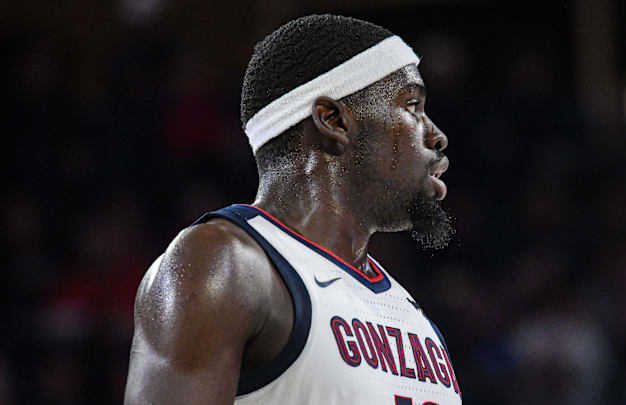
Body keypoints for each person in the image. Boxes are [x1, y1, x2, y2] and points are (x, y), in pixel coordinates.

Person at [124, 14, 461, 404]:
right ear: (333, 121)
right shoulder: (227, 264)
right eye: (412, 106)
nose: (437, 135)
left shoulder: (410, 312)